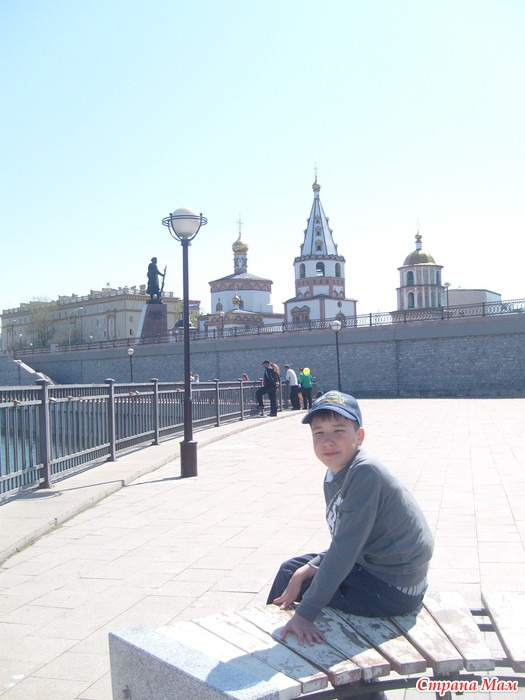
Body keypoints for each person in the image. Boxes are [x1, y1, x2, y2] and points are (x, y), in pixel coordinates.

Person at [267, 391, 434, 700]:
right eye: (319, 433)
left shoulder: (365, 472)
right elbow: (347, 540)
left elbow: (345, 550)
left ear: (359, 436)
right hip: (372, 568)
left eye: (338, 431)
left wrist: (306, 613)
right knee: (291, 571)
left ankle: (302, 673)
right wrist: (310, 567)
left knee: (307, 597)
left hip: (394, 588)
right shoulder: (337, 473)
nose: (328, 441)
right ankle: (285, 659)